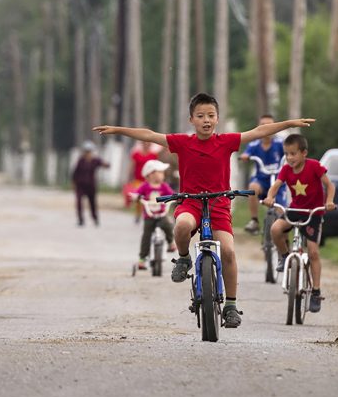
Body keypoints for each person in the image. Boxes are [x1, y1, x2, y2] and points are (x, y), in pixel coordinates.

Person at [95, 92, 315, 329]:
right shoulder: (182, 142)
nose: (206, 120)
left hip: (219, 204)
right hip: (190, 203)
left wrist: (289, 124)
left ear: (217, 118)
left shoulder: (226, 141)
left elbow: (258, 132)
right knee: (181, 226)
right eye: (200, 116)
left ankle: (231, 305)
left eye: (211, 115)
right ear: (192, 119)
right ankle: (183, 258)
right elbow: (149, 135)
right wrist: (118, 130)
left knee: (229, 252)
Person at [262, 133, 336, 313]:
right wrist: (270, 197)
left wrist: (329, 201)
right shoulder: (286, 169)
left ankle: (316, 292)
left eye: (293, 153)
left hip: (313, 212)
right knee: (276, 229)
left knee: (313, 252)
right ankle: (285, 256)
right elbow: (276, 186)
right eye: (287, 154)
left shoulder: (314, 166)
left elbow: (330, 185)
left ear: (304, 153)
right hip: (295, 210)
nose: (289, 158)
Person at [239, 113, 287, 235]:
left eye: (270, 125)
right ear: (259, 127)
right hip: (261, 181)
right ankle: (254, 220)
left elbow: (290, 152)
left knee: (282, 216)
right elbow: (246, 153)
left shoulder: (280, 144)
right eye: (263, 125)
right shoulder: (254, 145)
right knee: (252, 187)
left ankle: (284, 245)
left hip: (278, 182)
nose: (267, 128)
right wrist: (245, 156)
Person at [130, 158, 176, 270]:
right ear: (150, 174)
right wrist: (135, 196)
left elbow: (172, 194)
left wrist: (176, 197)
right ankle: (142, 258)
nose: (162, 175)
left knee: (168, 225)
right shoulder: (145, 186)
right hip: (149, 216)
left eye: (162, 172)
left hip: (162, 214)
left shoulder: (164, 186)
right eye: (159, 172)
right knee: (146, 236)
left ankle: (171, 242)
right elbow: (137, 193)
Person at [73, 140, 109, 226]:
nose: (88, 153)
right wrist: (74, 183)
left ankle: (95, 218)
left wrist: (105, 164)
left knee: (92, 203)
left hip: (91, 185)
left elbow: (104, 164)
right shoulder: (81, 161)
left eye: (89, 152)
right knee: (79, 202)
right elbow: (75, 172)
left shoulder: (95, 160)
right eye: (86, 152)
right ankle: (81, 220)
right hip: (80, 185)